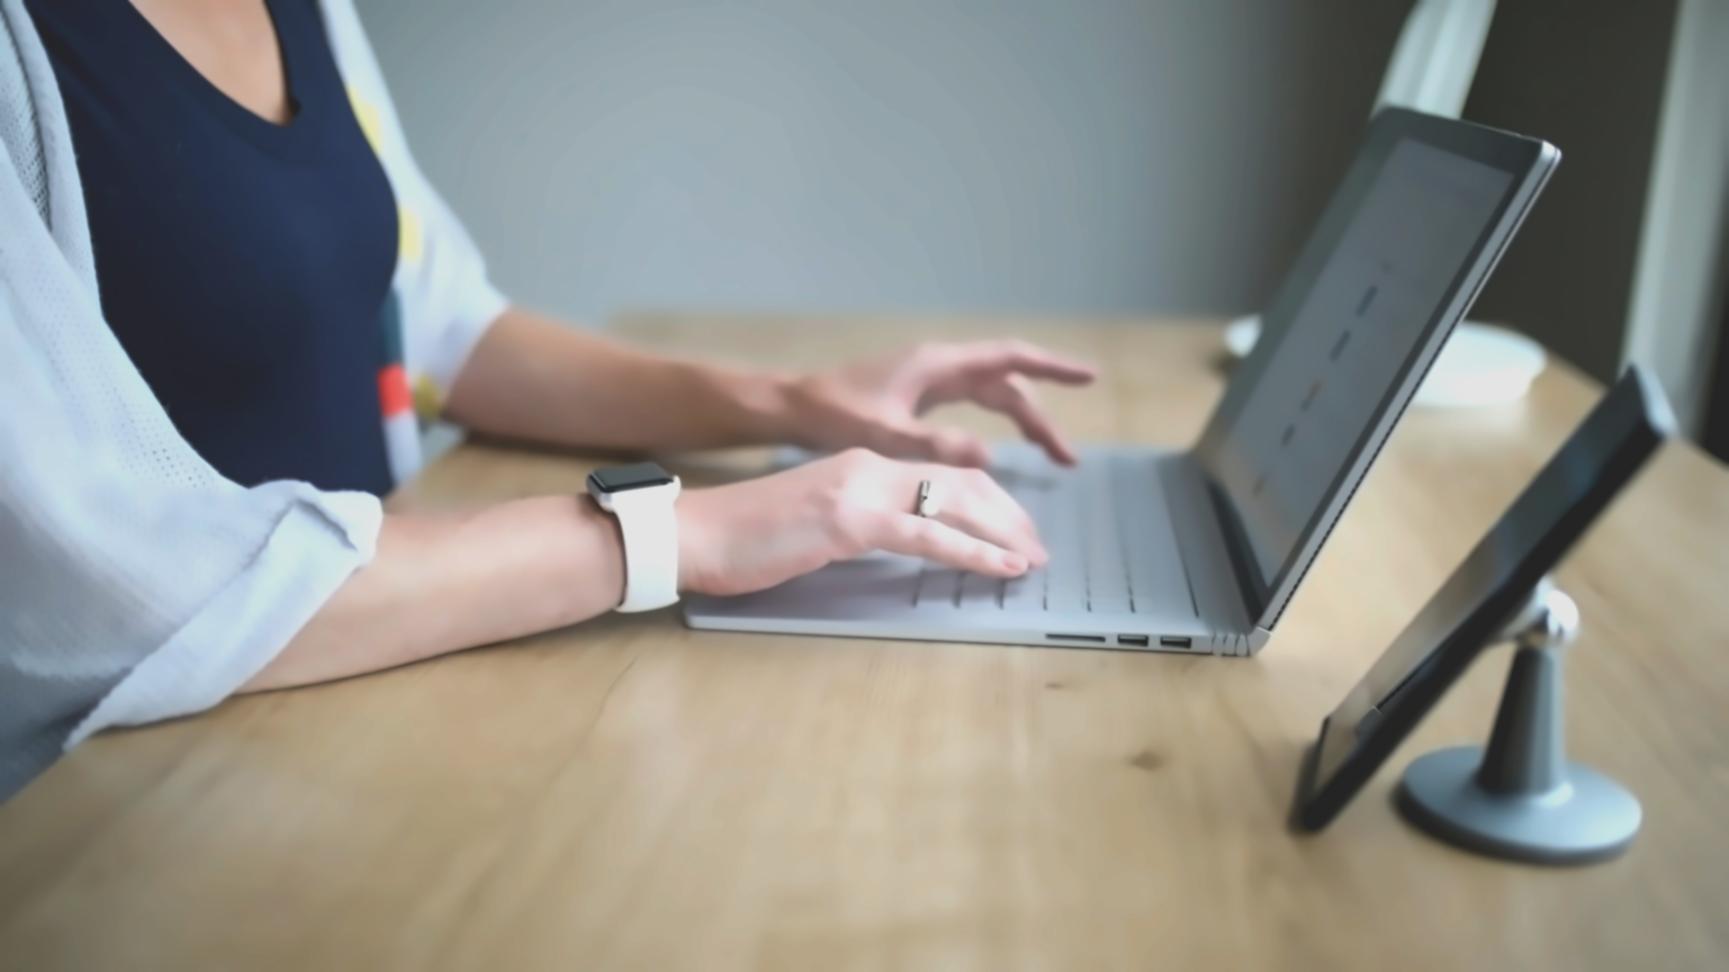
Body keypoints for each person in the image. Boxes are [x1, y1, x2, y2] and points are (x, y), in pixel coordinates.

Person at [0, 0, 1094, 799]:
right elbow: (119, 586)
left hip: (369, 702)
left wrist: (793, 404)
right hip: (145, 807)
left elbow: (434, 327)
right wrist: (674, 534)